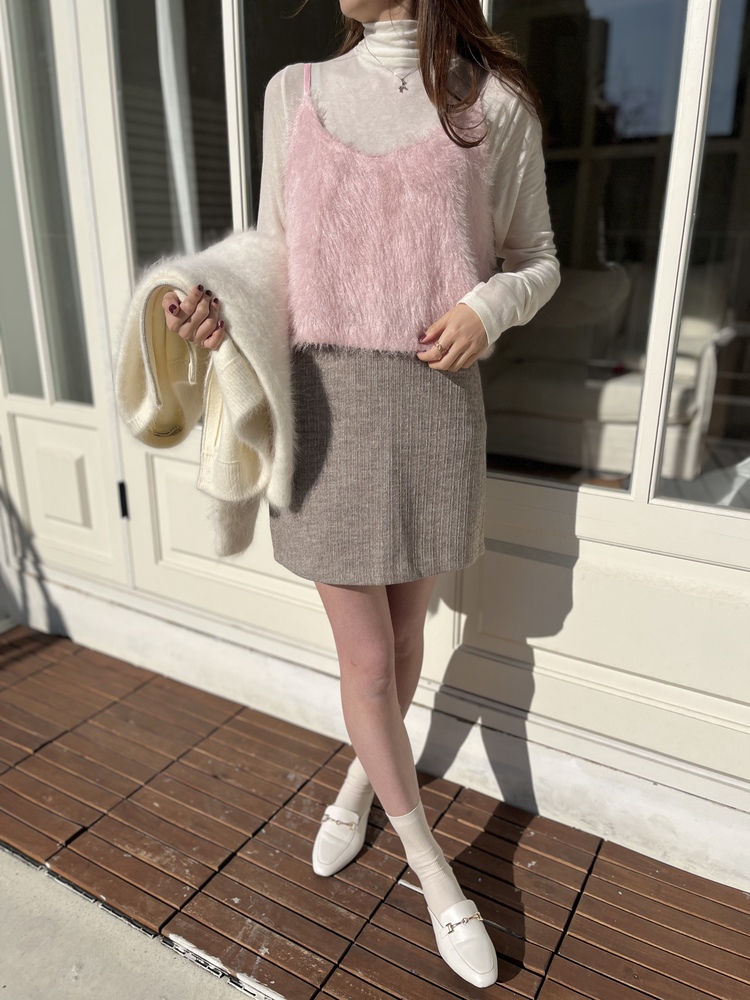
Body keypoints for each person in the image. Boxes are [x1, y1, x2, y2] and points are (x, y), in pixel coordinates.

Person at [162, 1, 560, 989]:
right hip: (323, 405)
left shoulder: (491, 103)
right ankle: (434, 870)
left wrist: (485, 306)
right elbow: (270, 254)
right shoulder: (292, 91)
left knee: (408, 637)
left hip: (434, 405)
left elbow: (537, 259)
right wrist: (217, 303)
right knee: (371, 658)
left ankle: (358, 784)